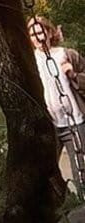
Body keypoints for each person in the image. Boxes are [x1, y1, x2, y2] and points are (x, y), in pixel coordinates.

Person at [28, 15, 85, 197]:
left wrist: (73, 74)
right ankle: (60, 203)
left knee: (80, 168)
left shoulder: (66, 54)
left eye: (41, 31)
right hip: (50, 125)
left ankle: (81, 201)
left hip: (75, 120)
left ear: (49, 32)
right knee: (43, 169)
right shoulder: (31, 62)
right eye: (33, 34)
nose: (38, 37)